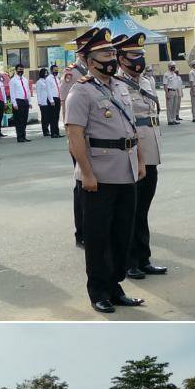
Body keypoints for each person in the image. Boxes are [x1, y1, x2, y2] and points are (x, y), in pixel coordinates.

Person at [65, 26, 145, 315]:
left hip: (126, 169)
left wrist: (140, 161)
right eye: (104, 53)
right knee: (98, 237)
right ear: (89, 59)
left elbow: (133, 129)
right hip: (99, 173)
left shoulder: (121, 87)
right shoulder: (81, 91)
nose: (111, 58)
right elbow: (75, 136)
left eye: (112, 52)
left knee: (121, 233)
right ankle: (98, 290)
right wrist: (86, 173)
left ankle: (115, 285)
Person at [113, 34, 167, 282]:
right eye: (133, 55)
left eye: (140, 54)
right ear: (121, 58)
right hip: (133, 154)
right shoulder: (116, 84)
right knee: (130, 211)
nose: (139, 59)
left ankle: (143, 258)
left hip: (151, 152)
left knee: (143, 209)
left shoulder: (145, 81)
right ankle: (129, 261)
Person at [61, 27, 98, 248]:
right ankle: (82, 231)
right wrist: (71, 138)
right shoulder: (73, 73)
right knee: (82, 184)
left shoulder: (96, 72)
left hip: (98, 138)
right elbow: (66, 106)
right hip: (80, 137)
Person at [9, 64, 31, 142]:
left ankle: (24, 136)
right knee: (19, 120)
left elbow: (28, 91)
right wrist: (14, 104)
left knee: (25, 120)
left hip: (25, 101)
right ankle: (20, 137)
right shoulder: (13, 80)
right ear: (16, 70)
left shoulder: (25, 79)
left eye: (22, 69)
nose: (20, 71)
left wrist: (29, 102)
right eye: (19, 69)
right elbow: (12, 93)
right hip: (18, 101)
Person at [36, 67, 54, 137]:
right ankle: (45, 131)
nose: (46, 74)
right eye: (45, 73)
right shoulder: (39, 82)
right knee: (44, 117)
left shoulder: (48, 80)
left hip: (49, 100)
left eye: (47, 73)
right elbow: (38, 92)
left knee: (49, 116)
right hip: (43, 101)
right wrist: (39, 102)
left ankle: (47, 129)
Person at [45, 64, 62, 138]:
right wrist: (51, 100)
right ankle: (53, 133)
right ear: (51, 70)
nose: (56, 71)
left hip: (57, 98)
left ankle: (57, 132)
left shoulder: (57, 78)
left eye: (57, 70)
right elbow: (48, 90)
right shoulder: (48, 79)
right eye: (55, 70)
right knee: (52, 117)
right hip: (52, 99)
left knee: (57, 116)